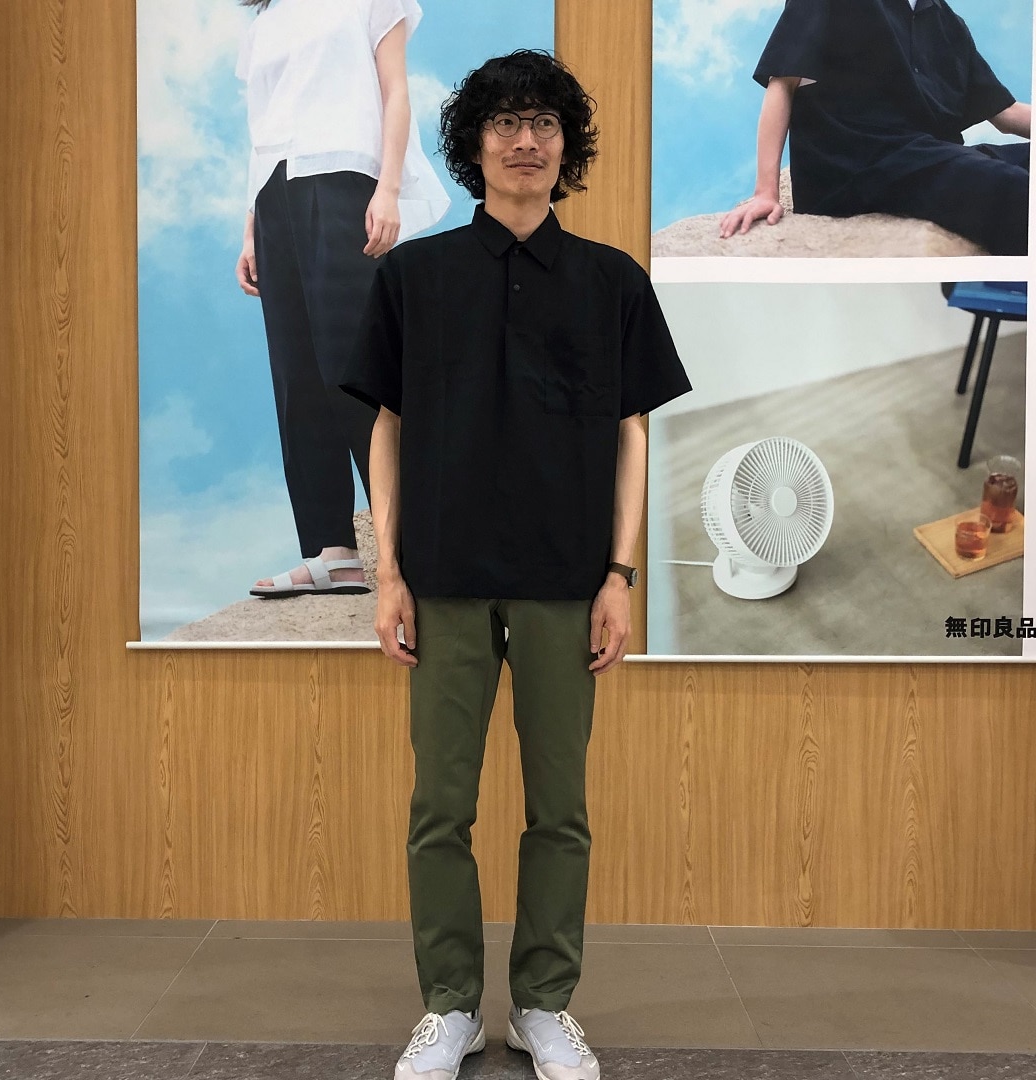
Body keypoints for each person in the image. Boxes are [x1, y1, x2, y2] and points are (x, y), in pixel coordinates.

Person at [341, 49, 692, 1080]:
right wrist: (388, 574)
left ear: (566, 146)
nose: (525, 140)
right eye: (504, 122)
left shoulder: (612, 281)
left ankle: (544, 1005)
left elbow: (631, 432)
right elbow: (386, 426)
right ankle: (450, 1006)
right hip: (443, 580)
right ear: (473, 145)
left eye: (543, 123)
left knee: (560, 811)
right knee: (439, 810)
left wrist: (618, 575)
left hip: (565, 583)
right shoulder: (415, 278)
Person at [234, 0, 449, 598]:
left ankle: (414, 545)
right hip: (275, 195)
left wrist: (389, 189)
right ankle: (332, 551)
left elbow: (395, 91)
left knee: (353, 368)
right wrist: (251, 227)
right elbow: (261, 131)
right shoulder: (265, 23)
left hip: (344, 181)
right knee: (296, 377)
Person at [719, 0, 1031, 255]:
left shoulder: (946, 21)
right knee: (1017, 191)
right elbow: (783, 81)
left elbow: (1006, 113)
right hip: (856, 165)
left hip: (928, 157)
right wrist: (766, 192)